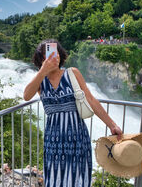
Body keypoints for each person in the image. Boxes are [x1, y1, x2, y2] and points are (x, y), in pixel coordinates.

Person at [23, 39, 122, 187]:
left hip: (77, 138)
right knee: (55, 178)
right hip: (53, 141)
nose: (53, 57)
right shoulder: (40, 81)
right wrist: (43, 71)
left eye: (55, 53)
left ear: (60, 55)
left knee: (78, 178)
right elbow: (26, 95)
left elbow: (91, 100)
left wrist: (112, 124)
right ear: (41, 59)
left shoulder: (72, 73)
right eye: (48, 55)